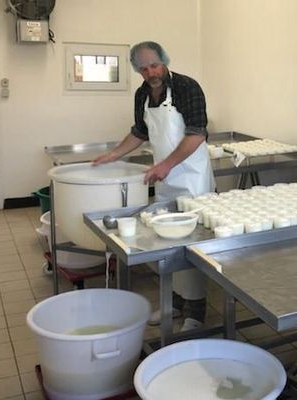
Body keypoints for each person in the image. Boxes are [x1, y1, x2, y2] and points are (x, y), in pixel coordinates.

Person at [93, 41, 215, 331]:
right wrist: (113, 154)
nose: (151, 72)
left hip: (192, 179)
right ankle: (173, 304)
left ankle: (196, 313)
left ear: (165, 61)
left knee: (192, 246)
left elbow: (197, 134)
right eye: (144, 68)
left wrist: (165, 165)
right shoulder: (142, 94)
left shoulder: (187, 87)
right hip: (166, 178)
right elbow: (140, 132)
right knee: (168, 245)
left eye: (155, 65)